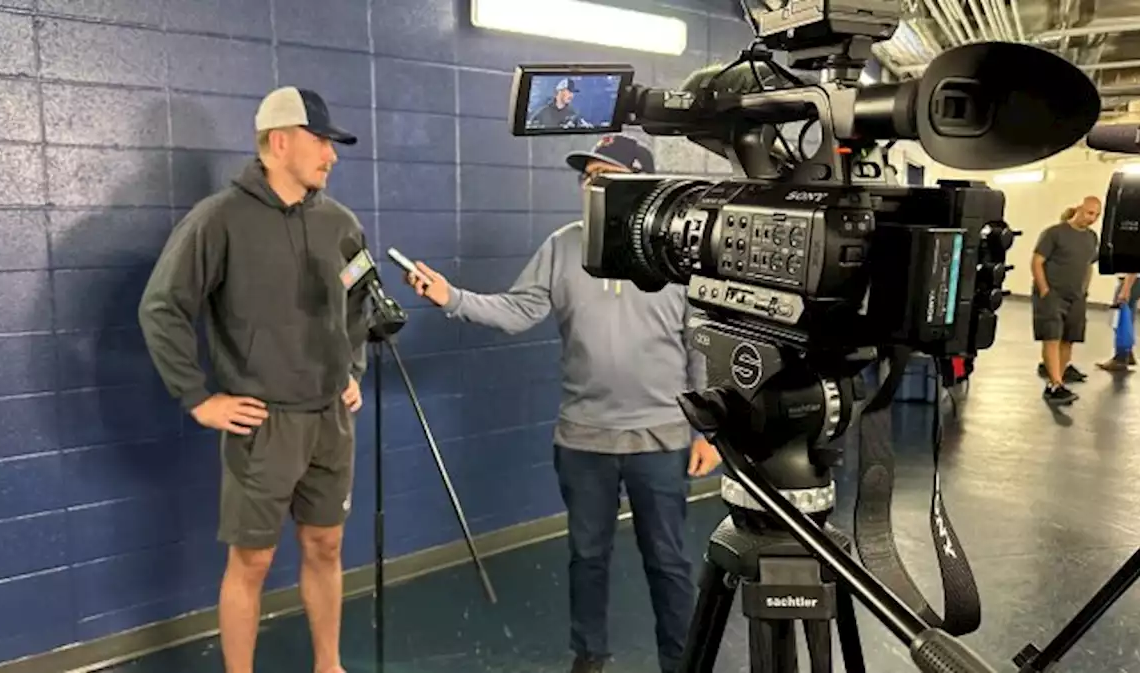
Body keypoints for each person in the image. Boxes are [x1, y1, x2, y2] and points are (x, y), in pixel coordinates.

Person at [404, 134, 720, 673]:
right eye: (586, 177)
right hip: (583, 439)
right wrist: (451, 298)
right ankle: (589, 653)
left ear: (638, 186)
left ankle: (680, 660)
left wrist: (708, 431)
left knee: (668, 560)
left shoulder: (674, 252)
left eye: (605, 176)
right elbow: (518, 309)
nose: (590, 186)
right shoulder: (562, 246)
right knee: (586, 557)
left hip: (661, 438)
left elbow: (701, 342)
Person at [138, 86, 369, 673]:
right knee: (254, 560)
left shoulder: (341, 223)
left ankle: (329, 665)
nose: (332, 155)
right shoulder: (219, 220)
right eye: (322, 142)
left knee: (327, 544)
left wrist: (353, 368)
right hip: (264, 425)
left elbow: (361, 302)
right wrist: (198, 398)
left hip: (330, 420)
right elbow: (162, 307)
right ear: (279, 142)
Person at [1031, 195, 1101, 404]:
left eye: (1096, 215)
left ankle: (1056, 382)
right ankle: (1056, 383)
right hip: (1053, 294)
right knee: (1052, 337)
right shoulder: (1055, 233)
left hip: (1076, 296)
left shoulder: (1091, 238)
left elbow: (1089, 265)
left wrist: (1085, 290)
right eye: (1089, 213)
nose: (1092, 218)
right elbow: (1037, 261)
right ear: (1079, 208)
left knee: (1068, 339)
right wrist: (1044, 290)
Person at [1097, 272, 1140, 371]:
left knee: (1119, 317)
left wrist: (1125, 289)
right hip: (1133, 280)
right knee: (1127, 315)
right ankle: (1128, 353)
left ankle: (1120, 357)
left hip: (1132, 280)